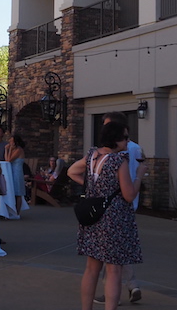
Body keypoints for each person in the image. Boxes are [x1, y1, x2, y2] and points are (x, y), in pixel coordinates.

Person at [68, 121, 145, 310]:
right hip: (114, 219)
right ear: (115, 139)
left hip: (93, 216)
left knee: (91, 268)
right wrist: (139, 177)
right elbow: (128, 195)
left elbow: (72, 171)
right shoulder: (119, 161)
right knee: (113, 270)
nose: (127, 142)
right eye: (125, 138)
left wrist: (91, 187)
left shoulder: (92, 156)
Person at [93, 111, 146, 306]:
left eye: (107, 125)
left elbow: (129, 187)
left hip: (113, 206)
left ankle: (111, 295)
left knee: (110, 259)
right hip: (126, 205)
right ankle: (132, 285)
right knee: (119, 252)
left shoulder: (111, 155)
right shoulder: (136, 149)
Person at [5, 134, 26, 213]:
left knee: (18, 192)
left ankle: (17, 212)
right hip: (12, 171)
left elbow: (9, 160)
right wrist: (7, 150)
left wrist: (8, 149)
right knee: (12, 190)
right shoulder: (14, 149)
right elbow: (6, 159)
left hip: (17, 172)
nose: (10, 143)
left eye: (11, 141)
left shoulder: (19, 150)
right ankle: (12, 210)